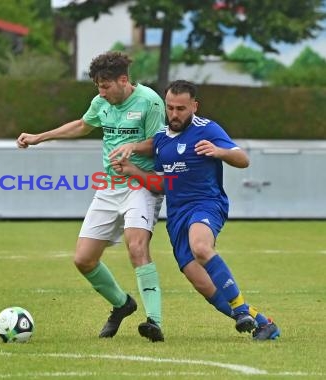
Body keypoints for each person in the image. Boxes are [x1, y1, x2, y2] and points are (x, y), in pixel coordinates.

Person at [111, 79, 280, 340]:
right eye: (170, 108)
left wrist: (218, 151)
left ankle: (241, 309)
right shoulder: (161, 141)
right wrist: (133, 166)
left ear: (194, 106)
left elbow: (243, 160)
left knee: (201, 247)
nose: (174, 114)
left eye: (181, 108)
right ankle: (263, 324)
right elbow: (161, 185)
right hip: (177, 215)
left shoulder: (207, 129)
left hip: (206, 204)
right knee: (203, 284)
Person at [17, 51, 166, 342]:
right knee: (84, 260)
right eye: (98, 85)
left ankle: (154, 322)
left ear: (123, 80)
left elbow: (159, 143)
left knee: (136, 246)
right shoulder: (101, 102)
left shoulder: (150, 101)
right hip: (109, 187)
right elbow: (82, 125)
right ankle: (122, 304)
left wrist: (132, 149)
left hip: (140, 185)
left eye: (106, 85)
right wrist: (38, 138)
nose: (101, 92)